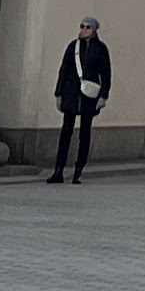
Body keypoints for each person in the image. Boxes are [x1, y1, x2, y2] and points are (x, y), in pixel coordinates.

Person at [50, 13, 111, 184]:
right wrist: (59, 93)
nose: (84, 30)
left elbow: (106, 74)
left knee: (84, 132)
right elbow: (63, 70)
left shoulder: (100, 49)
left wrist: (103, 96)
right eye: (82, 26)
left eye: (87, 27)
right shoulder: (73, 47)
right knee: (66, 132)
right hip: (71, 93)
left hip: (89, 96)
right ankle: (58, 170)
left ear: (94, 30)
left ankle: (78, 170)